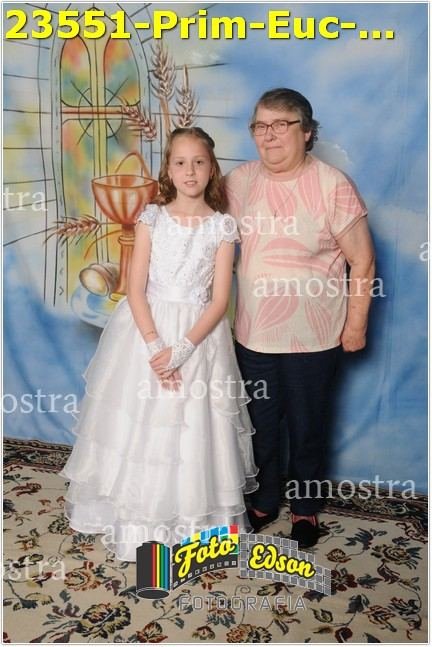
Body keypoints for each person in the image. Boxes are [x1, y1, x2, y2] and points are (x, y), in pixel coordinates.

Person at [59, 127, 258, 561]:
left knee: (193, 427)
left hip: (198, 338)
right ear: (168, 169)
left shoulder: (222, 227)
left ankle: (192, 525)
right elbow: (135, 289)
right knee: (141, 424)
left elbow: (219, 301)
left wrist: (182, 350)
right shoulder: (152, 218)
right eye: (181, 163)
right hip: (145, 332)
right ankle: (137, 522)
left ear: (212, 168)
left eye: (199, 162)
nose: (190, 171)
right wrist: (155, 348)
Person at [225, 88, 375, 548]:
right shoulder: (237, 182)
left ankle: (305, 507)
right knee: (260, 425)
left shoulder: (333, 185)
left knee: (308, 427)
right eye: (260, 126)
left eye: (280, 125)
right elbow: (197, 227)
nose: (268, 135)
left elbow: (363, 261)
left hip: (314, 335)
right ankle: (264, 498)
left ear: (307, 132)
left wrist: (356, 324)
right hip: (253, 333)